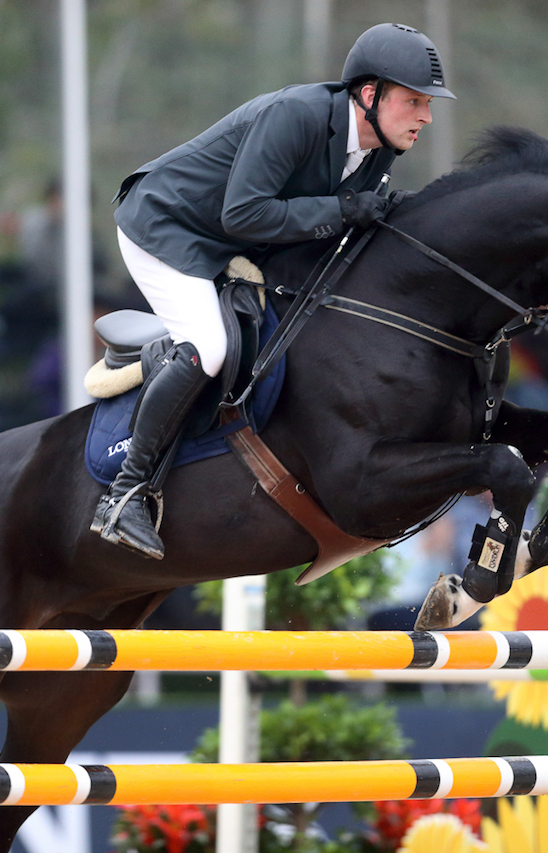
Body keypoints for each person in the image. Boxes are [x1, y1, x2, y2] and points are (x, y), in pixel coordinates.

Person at [93, 22, 455, 559]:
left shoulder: (380, 146)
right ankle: (126, 495)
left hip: (229, 240)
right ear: (370, 94)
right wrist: (341, 209)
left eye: (427, 104)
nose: (426, 116)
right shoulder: (296, 116)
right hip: (166, 227)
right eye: (414, 101)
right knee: (209, 346)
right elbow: (243, 213)